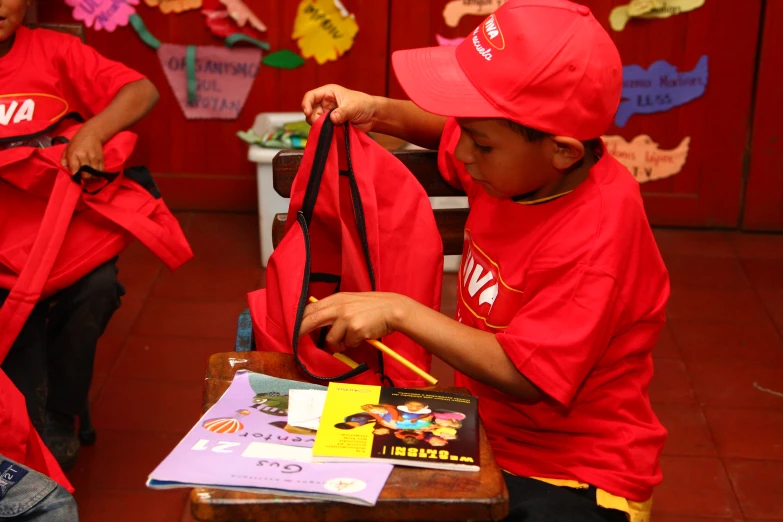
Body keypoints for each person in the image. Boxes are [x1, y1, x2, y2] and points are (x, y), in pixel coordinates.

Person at [298, 1, 669, 521]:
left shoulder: (596, 238)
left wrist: (400, 311)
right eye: (467, 132)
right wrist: (373, 108)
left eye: (480, 142)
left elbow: (526, 375)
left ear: (563, 151)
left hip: (575, 475)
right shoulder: (513, 164)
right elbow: (447, 130)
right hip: (479, 436)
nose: (463, 153)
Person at [0, 0, 159, 470]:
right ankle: (22, 424)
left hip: (60, 228)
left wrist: (92, 130)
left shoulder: (54, 50)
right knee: (15, 305)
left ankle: (59, 412)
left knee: (97, 287)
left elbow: (141, 90)